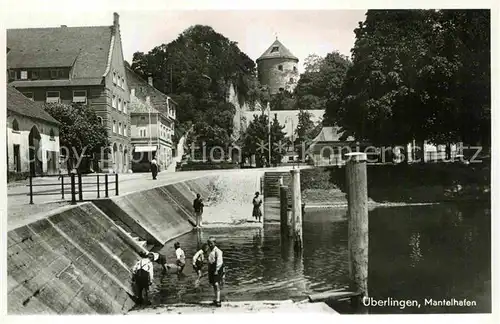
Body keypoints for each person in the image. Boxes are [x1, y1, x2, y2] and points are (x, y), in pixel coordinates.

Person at [207, 237, 224, 307]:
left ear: (215, 243)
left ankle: (218, 300)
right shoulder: (210, 251)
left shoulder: (218, 251)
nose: (210, 245)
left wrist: (216, 270)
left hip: (216, 269)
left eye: (211, 243)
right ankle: (216, 298)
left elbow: (220, 262)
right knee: (213, 284)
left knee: (216, 284)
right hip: (211, 268)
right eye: (209, 243)